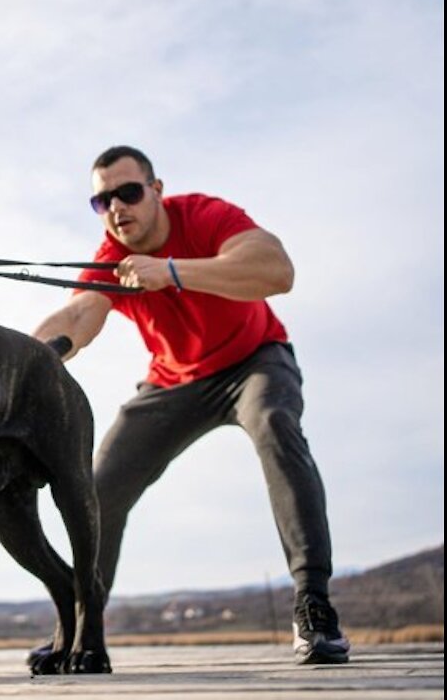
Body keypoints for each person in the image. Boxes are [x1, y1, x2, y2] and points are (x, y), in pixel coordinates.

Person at [33, 146, 349, 664]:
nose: (116, 208)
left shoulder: (204, 215)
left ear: (156, 191)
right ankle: (82, 625)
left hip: (254, 362)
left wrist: (173, 271)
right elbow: (77, 319)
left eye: (128, 193)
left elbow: (276, 270)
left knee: (274, 423)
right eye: (101, 200)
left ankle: (313, 605)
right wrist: (17, 368)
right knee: (100, 485)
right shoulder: (112, 259)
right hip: (172, 383)